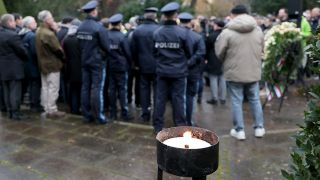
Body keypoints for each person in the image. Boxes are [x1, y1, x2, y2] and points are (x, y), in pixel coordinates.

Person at [215, 4, 265, 140]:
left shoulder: (227, 32)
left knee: (236, 101)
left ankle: (239, 130)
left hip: (234, 71)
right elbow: (262, 49)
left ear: (234, 15)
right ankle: (259, 128)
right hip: (253, 71)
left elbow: (219, 52)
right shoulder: (258, 30)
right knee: (255, 99)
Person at [153, 2, 193, 133]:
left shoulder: (157, 33)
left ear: (164, 16)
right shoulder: (183, 33)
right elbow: (189, 53)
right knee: (179, 99)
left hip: (162, 71)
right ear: (176, 15)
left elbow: (154, 53)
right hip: (179, 72)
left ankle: (158, 126)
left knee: (160, 99)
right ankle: (180, 126)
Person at [77, 0, 109, 124]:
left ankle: (86, 114)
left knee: (85, 87)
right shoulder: (98, 27)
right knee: (97, 88)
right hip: (96, 62)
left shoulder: (80, 26)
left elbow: (79, 45)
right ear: (94, 11)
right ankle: (98, 116)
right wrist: (102, 55)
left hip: (85, 60)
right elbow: (107, 47)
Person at [131, 7, 159, 122]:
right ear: (155, 16)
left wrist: (136, 63)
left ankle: (145, 113)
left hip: (142, 65)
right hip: (157, 65)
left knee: (144, 89)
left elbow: (133, 49)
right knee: (158, 90)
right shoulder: (159, 29)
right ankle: (157, 113)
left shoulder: (137, 30)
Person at [35, 10, 66, 118]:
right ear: (47, 20)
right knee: (53, 87)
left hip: (42, 63)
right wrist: (63, 58)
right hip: (52, 63)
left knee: (45, 87)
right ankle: (52, 109)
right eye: (51, 18)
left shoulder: (38, 31)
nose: (53, 20)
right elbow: (58, 50)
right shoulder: (49, 34)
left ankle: (46, 107)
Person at [178, 12, 206, 126]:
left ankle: (181, 121)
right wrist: (190, 62)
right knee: (190, 96)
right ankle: (189, 121)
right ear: (190, 22)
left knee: (180, 96)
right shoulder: (197, 36)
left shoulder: (176, 35)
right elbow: (201, 53)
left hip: (179, 69)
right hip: (192, 70)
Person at [0, 14, 29, 120]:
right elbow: (22, 51)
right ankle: (15, 112)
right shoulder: (12, 35)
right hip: (14, 67)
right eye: (13, 21)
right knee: (15, 91)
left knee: (6, 90)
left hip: (3, 67)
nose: (15, 23)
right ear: (9, 22)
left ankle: (9, 111)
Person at [107, 13, 133, 121]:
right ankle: (124, 113)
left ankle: (113, 113)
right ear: (119, 24)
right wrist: (131, 63)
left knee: (112, 89)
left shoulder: (106, 35)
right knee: (122, 89)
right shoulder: (122, 36)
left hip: (110, 65)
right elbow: (127, 53)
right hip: (121, 66)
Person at [19, 16, 42, 112]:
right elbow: (34, 52)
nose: (36, 23)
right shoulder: (32, 36)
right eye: (33, 22)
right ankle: (34, 105)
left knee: (30, 84)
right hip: (32, 64)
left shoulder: (20, 34)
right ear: (28, 25)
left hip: (24, 64)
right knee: (35, 84)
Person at [206, 19, 226, 105]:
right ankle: (223, 97)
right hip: (224, 59)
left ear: (217, 26)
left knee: (213, 78)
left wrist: (206, 58)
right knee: (223, 78)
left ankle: (214, 97)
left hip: (213, 59)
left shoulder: (211, 36)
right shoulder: (226, 35)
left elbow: (207, 48)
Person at [63, 19, 82, 115]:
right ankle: (77, 108)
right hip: (79, 67)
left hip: (69, 67)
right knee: (79, 89)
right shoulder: (79, 38)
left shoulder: (66, 39)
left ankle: (72, 108)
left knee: (72, 89)